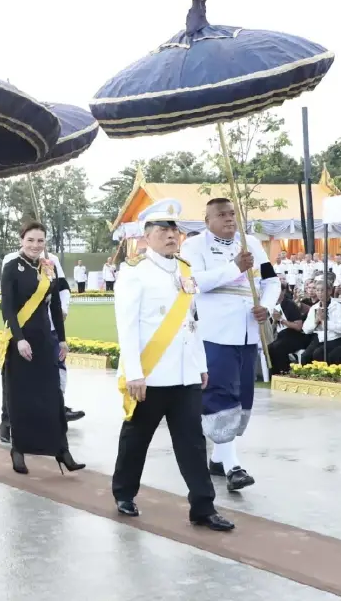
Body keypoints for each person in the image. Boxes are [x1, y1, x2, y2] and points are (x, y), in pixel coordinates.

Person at [112, 199, 234, 531]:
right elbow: (127, 327)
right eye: (163, 230)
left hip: (185, 375)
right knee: (137, 437)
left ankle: (203, 507)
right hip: (151, 375)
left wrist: (201, 365)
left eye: (174, 230)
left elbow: (192, 321)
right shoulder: (133, 272)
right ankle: (124, 492)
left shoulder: (184, 270)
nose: (170, 235)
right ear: (146, 236)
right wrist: (134, 372)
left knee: (192, 442)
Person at [179, 198, 280, 494]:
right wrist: (233, 267)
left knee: (243, 398)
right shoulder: (193, 246)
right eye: (221, 215)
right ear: (207, 219)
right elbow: (193, 283)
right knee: (220, 397)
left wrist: (268, 307)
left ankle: (218, 458)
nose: (228, 219)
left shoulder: (251, 243)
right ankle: (234, 466)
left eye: (231, 214)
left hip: (249, 330)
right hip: (215, 331)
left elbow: (271, 281)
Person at [0, 221, 83, 477]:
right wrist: (19, 338)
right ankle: (18, 449)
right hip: (20, 341)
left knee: (51, 396)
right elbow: (8, 308)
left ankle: (61, 450)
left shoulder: (49, 268)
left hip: (45, 340)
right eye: (31, 240)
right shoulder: (12, 267)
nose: (36, 245)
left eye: (40, 241)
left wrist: (63, 339)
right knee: (20, 397)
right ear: (21, 240)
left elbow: (55, 306)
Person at [296, 282, 341, 363]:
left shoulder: (337, 306)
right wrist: (316, 321)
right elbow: (306, 329)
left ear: (330, 291)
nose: (320, 293)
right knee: (305, 356)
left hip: (336, 338)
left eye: (322, 290)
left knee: (319, 354)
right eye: (317, 290)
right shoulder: (314, 307)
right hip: (320, 338)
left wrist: (324, 321)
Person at [266, 282, 309, 374]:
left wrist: (281, 320)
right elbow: (274, 326)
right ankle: (274, 374)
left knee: (279, 347)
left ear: (283, 291)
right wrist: (275, 320)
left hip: (294, 336)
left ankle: (284, 372)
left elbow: (298, 326)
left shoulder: (290, 305)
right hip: (281, 335)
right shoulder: (274, 305)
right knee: (270, 348)